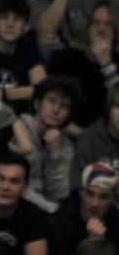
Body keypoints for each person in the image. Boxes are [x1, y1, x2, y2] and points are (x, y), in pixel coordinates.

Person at [10, 74, 80, 211]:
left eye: (64, 106)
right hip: (16, 205)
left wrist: (55, 158)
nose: (56, 110)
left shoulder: (66, 146)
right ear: (37, 104)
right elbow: (15, 187)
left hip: (41, 210)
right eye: (51, 101)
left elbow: (59, 194)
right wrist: (49, 207)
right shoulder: (18, 130)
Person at [49, 1, 119, 130]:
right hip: (68, 132)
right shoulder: (67, 59)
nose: (101, 29)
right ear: (87, 28)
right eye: (96, 23)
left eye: (108, 24)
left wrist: (107, 65)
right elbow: (51, 105)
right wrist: (83, 137)